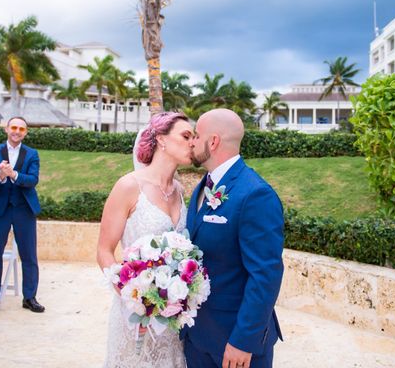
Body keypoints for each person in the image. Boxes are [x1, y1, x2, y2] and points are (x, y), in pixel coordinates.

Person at [182, 109, 284, 368]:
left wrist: (243, 341)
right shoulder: (202, 186)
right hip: (197, 337)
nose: (191, 141)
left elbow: (265, 275)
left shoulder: (255, 194)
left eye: (196, 135)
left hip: (234, 344)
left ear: (213, 141)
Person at [97, 112, 193, 368]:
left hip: (171, 317)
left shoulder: (181, 191)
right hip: (136, 312)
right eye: (185, 136)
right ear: (161, 139)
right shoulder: (128, 186)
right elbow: (104, 251)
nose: (192, 142)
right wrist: (135, 296)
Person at [0, 116, 44, 318]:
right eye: (13, 127)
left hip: (23, 208)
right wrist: (1, 175)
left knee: (29, 255)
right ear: (6, 129)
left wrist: (13, 174)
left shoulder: (31, 154)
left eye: (21, 129)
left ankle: (30, 297)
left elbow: (33, 180)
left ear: (25, 132)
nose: (17, 131)